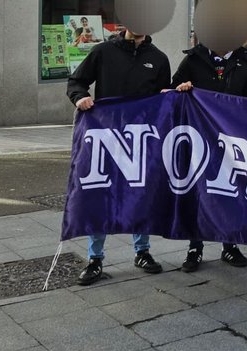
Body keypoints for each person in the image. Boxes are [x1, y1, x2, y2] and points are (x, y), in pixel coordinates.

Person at [67, 26, 172, 285]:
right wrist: (80, 97)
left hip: (141, 140)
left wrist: (170, 97)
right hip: (106, 136)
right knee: (101, 193)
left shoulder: (158, 58)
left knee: (140, 193)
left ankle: (142, 251)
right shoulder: (103, 51)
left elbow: (162, 97)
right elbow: (77, 81)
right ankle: (95, 259)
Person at [171, 40, 247, 272]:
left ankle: (230, 244)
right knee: (197, 193)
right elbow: (173, 89)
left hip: (232, 142)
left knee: (230, 193)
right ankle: (195, 247)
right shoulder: (194, 59)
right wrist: (181, 88)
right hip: (199, 140)